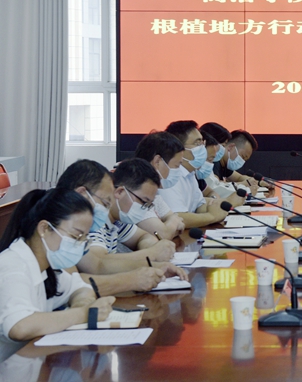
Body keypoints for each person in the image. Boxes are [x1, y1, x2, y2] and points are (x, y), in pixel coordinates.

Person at [0, 189, 114, 344]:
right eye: (76, 236)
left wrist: (81, 303)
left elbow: (80, 288)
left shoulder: (45, 267)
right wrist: (83, 314)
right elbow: (19, 327)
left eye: (84, 238)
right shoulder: (13, 266)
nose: (80, 244)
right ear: (44, 229)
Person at [57, 159, 186, 296]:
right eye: (105, 202)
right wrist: (146, 263)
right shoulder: (70, 225)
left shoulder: (104, 222)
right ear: (82, 194)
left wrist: (155, 265)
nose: (108, 207)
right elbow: (96, 267)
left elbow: (87, 271)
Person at [162, 120, 229, 227]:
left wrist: (217, 206)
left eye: (202, 143)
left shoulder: (190, 173)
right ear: (178, 147)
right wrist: (212, 217)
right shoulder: (169, 175)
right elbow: (178, 218)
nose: (202, 148)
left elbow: (198, 206)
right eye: (197, 143)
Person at [132, 131, 186, 239]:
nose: (179, 172)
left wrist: (169, 225)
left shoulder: (154, 192)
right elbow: (163, 235)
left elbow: (178, 222)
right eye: (176, 166)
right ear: (157, 161)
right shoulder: (135, 191)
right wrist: (169, 226)